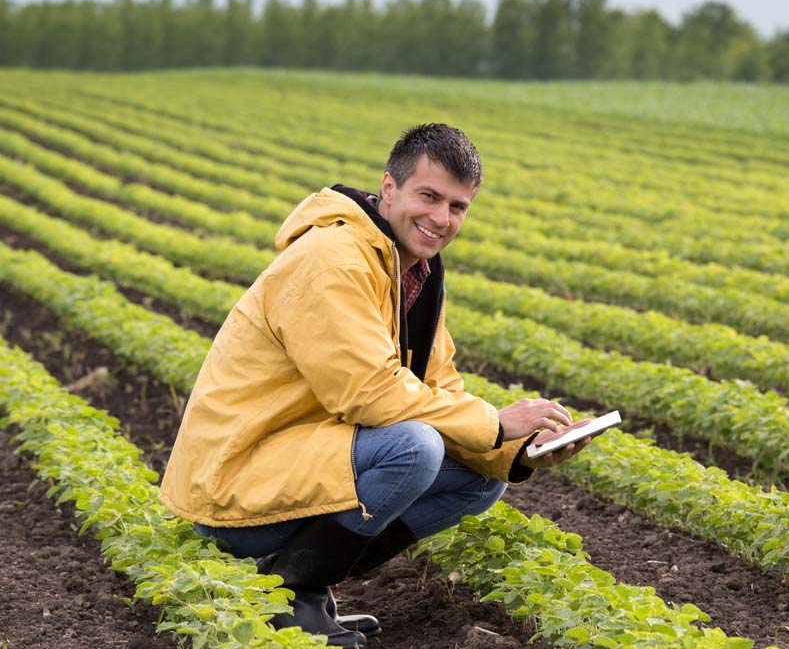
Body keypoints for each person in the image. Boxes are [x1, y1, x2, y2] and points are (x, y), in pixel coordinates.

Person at [159, 123, 591, 647]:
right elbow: (367, 393)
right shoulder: (332, 259)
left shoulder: (413, 274)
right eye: (428, 196)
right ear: (389, 189)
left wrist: (517, 448)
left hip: (295, 469)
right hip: (234, 487)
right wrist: (495, 421)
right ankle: (295, 594)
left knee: (481, 474)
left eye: (457, 207)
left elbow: (439, 387)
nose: (441, 218)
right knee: (414, 446)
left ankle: (292, 578)